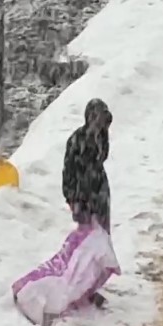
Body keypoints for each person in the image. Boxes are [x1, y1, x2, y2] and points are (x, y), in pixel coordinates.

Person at [63, 98, 113, 231]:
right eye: (97, 118)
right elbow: (68, 171)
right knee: (86, 237)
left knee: (101, 235)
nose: (99, 123)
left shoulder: (102, 137)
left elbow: (101, 159)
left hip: (100, 193)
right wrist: (71, 199)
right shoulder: (76, 140)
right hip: (82, 196)